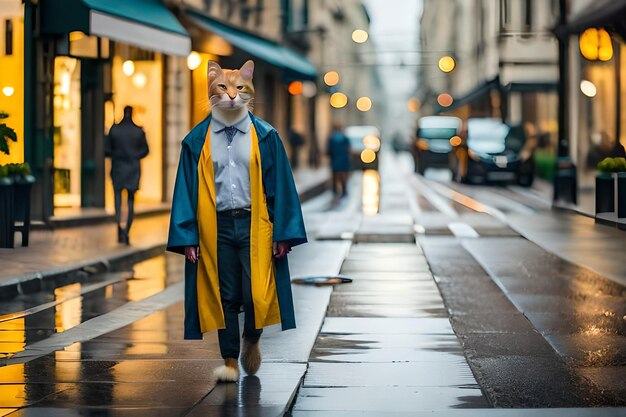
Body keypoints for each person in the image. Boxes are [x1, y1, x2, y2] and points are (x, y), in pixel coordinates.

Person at [167, 60, 307, 383]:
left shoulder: (266, 136)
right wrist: (188, 236)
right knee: (223, 294)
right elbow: (186, 190)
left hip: (254, 224)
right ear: (212, 92)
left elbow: (281, 185)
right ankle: (229, 362)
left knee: (255, 292)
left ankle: (252, 338)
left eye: (239, 89)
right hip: (214, 227)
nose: (231, 95)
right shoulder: (196, 141)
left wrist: (282, 232)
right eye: (222, 88)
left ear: (247, 92)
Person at [105, 106, 149, 245]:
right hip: (133, 169)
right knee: (130, 201)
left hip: (118, 167)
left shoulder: (115, 130)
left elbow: (107, 150)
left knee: (117, 201)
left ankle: (120, 230)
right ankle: (126, 232)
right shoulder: (138, 131)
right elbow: (145, 150)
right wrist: (134, 156)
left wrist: (117, 154)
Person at [326, 122, 352, 198]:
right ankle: (344, 191)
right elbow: (349, 149)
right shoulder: (345, 138)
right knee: (343, 175)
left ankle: (335, 191)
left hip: (335, 159)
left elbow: (328, 150)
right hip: (343, 159)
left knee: (335, 175)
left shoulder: (331, 139)